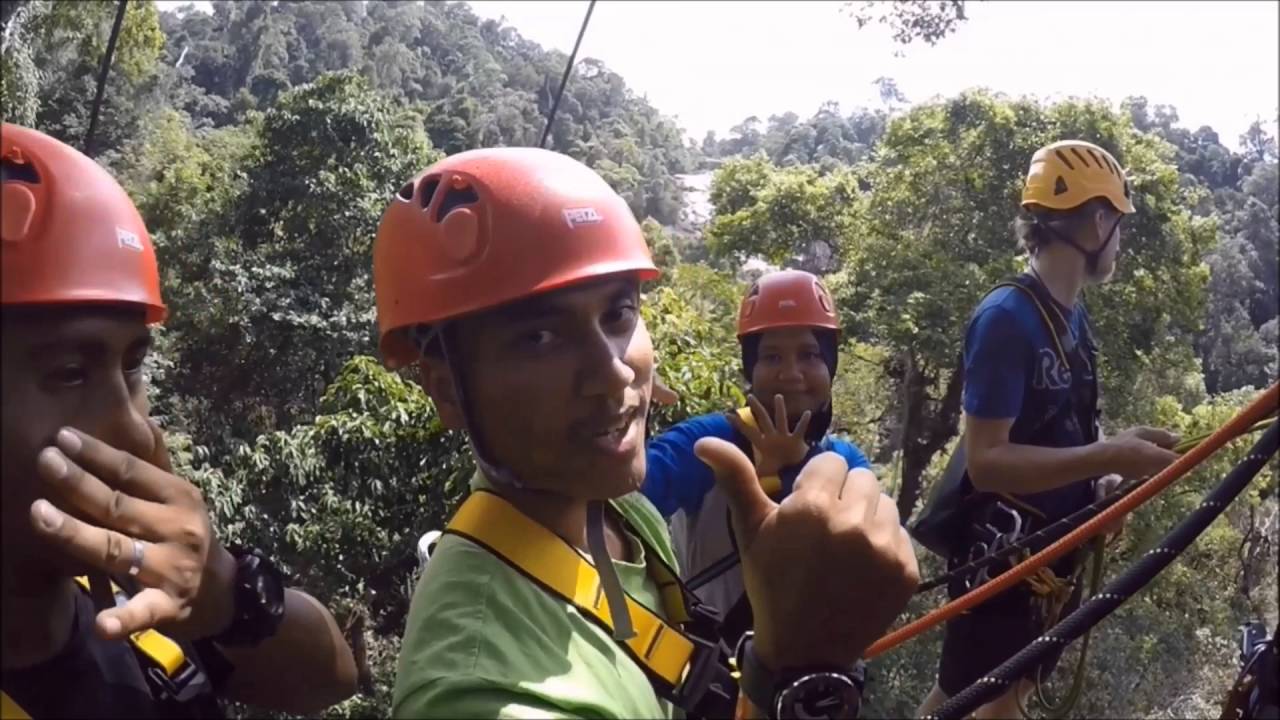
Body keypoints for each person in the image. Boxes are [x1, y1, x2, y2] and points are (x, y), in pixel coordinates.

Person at [378, 147, 919, 719]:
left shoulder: (619, 515)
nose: (614, 370)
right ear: (445, 388)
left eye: (618, 315)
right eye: (539, 337)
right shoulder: (483, 694)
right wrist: (794, 667)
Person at [0, 123, 358, 718]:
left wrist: (225, 593)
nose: (138, 431)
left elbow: (329, 678)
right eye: (69, 372)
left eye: (133, 366)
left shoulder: (139, 613)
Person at [914, 140, 1181, 719]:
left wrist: (1107, 474)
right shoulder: (1007, 319)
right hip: (1004, 551)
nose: (1121, 241)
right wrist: (1106, 454)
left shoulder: (1070, 314)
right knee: (981, 699)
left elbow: (1065, 429)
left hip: (1051, 549)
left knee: (998, 695)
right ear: (1099, 220)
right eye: (1119, 224)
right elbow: (987, 461)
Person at [643, 269, 872, 629]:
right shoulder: (712, 442)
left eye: (810, 355)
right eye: (772, 357)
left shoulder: (846, 461)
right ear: (752, 367)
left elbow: (866, 561)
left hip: (812, 666)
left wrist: (795, 467)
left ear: (830, 363)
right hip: (712, 665)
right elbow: (626, 491)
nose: (792, 373)